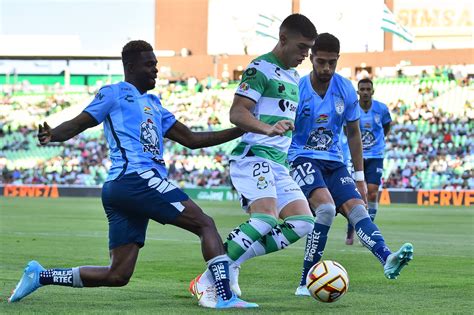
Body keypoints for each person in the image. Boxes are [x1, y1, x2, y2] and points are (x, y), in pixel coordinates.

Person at [8, 40, 258, 309]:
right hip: (136, 178)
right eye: (149, 64)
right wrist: (53, 134)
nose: (156, 70)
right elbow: (80, 122)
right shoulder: (114, 93)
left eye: (156, 64)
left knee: (118, 274)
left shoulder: (154, 103)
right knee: (205, 224)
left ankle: (40, 276)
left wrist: (242, 130)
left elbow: (193, 139)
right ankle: (224, 296)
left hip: (124, 188)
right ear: (130, 66)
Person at [189, 14, 318, 307]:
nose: (304, 55)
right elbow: (237, 113)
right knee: (266, 218)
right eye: (301, 48)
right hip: (254, 156)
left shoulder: (294, 77)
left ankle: (231, 263)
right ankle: (210, 283)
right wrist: (266, 128)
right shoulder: (260, 68)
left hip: (278, 163)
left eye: (308, 49)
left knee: (302, 222)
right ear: (283, 39)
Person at [287, 33, 414, 296]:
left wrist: (359, 177)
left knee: (359, 212)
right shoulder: (297, 88)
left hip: (335, 162)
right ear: (311, 59)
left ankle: (387, 258)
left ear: (337, 60)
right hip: (303, 157)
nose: (326, 69)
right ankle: (304, 281)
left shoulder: (345, 88)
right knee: (325, 209)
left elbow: (353, 134)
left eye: (332, 63)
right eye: (321, 62)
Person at [345, 78, 392, 245]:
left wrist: (377, 143)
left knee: (372, 192)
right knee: (356, 193)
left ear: (372, 91)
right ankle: (351, 229)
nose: (365, 92)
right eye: (362, 89)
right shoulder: (352, 107)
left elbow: (387, 126)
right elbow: (347, 130)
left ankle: (367, 228)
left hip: (376, 155)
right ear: (358, 92)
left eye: (368, 89)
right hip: (356, 155)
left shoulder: (381, 109)